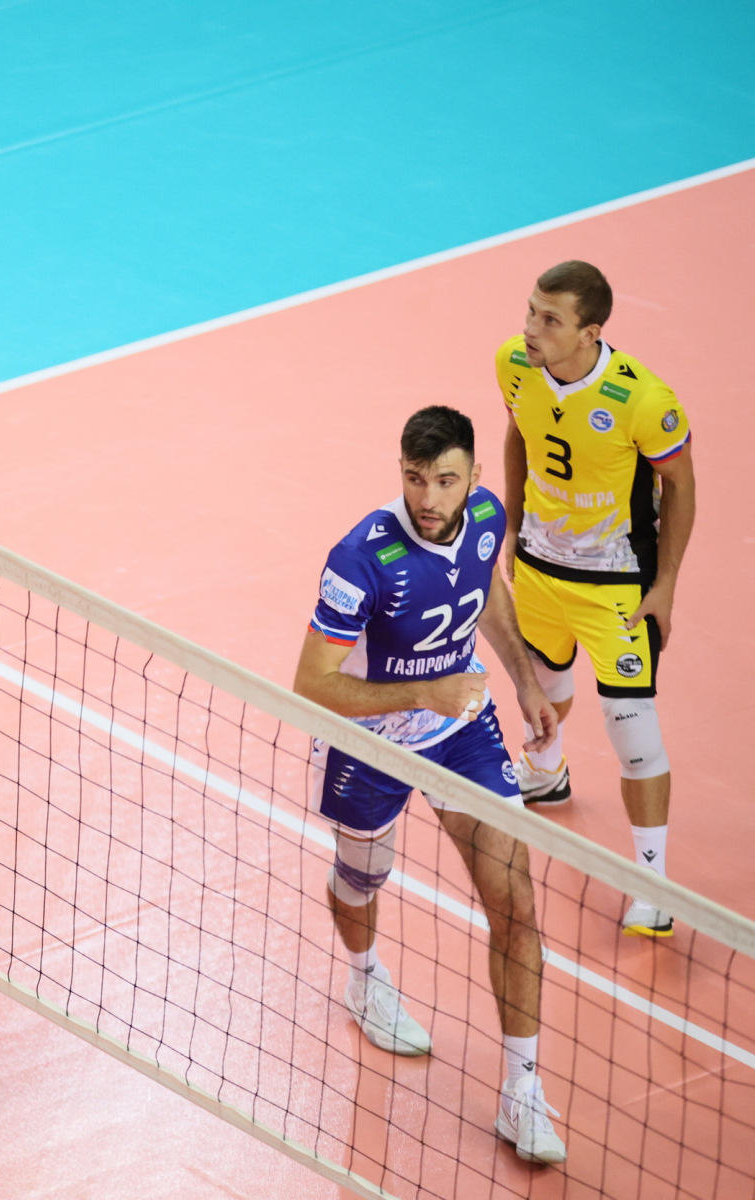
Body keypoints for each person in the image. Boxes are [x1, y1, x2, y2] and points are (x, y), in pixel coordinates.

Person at [293, 406, 565, 1164]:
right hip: (368, 741)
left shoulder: (487, 517)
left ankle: (522, 1090)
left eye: (446, 480)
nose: (429, 497)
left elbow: (489, 589)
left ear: (474, 475)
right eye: (416, 479)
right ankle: (364, 978)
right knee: (362, 879)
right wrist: (424, 692)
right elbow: (311, 682)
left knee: (516, 905)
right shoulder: (360, 558)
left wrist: (526, 683)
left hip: (460, 731)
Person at [497, 261, 695, 937]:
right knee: (543, 685)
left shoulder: (643, 400)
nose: (531, 328)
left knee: (632, 731)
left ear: (590, 332)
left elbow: (681, 484)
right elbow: (519, 431)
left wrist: (666, 585)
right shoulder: (514, 363)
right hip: (539, 569)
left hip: (617, 583)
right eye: (530, 311)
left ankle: (652, 886)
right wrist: (512, 526)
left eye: (550, 320)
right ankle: (545, 771)